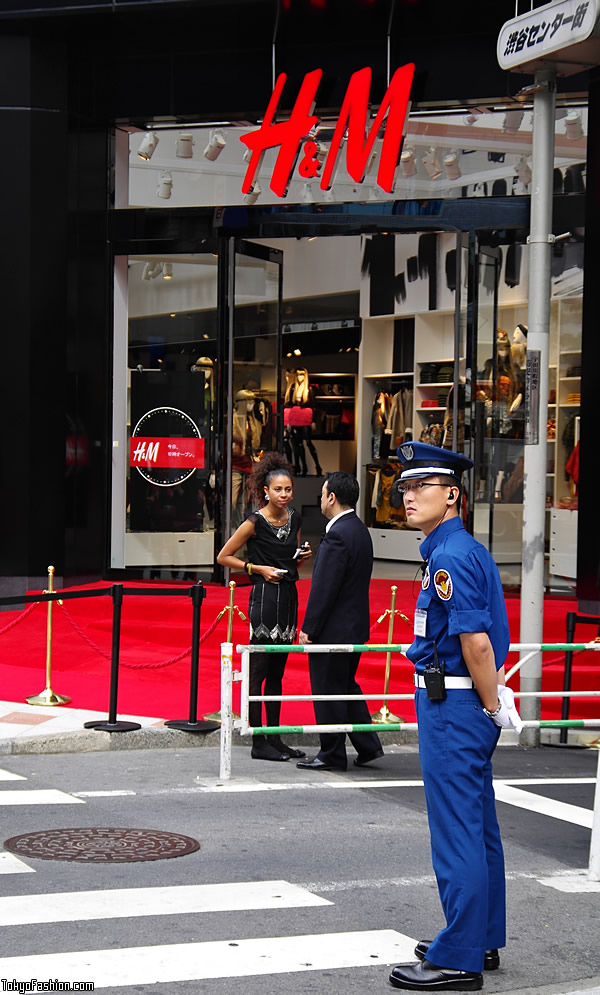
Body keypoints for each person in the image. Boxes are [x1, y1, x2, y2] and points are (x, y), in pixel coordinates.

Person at [388, 441, 522, 993]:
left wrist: (491, 707)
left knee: (456, 831)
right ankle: (480, 937)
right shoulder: (453, 548)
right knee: (478, 826)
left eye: (423, 485)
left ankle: (461, 956)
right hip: (463, 702)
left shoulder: (448, 555)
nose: (409, 495)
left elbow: (477, 644)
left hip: (455, 704)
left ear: (452, 494)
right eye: (405, 487)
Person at [217, 452, 311, 762]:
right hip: (264, 599)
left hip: (288, 598)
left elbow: (288, 554)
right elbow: (224, 557)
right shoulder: (253, 521)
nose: (284, 495)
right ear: (265, 491)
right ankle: (258, 741)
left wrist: (299, 555)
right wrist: (257, 569)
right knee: (259, 670)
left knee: (278, 673)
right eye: (278, 490)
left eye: (288, 489)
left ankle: (274, 736)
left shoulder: (295, 518)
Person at [296, 471, 383, 771]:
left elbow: (324, 587)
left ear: (331, 497)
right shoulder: (359, 529)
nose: (320, 498)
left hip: (333, 629)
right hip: (354, 625)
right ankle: (368, 745)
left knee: (327, 689)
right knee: (346, 686)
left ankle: (331, 753)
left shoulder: (337, 534)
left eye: (322, 493)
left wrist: (309, 627)